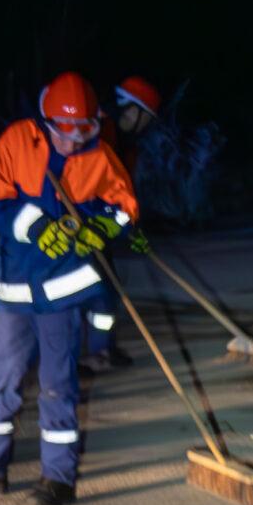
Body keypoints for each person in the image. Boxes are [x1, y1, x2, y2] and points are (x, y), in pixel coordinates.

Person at [0, 72, 139, 505]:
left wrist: (102, 227)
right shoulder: (18, 142)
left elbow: (125, 208)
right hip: (15, 289)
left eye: (84, 131)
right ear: (46, 121)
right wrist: (34, 225)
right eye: (65, 131)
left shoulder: (101, 157)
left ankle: (58, 478)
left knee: (58, 385)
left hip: (62, 293)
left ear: (95, 124)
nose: (73, 142)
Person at [81, 76, 163, 372]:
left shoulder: (125, 144)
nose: (146, 126)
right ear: (131, 109)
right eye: (146, 118)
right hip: (80, 229)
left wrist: (130, 229)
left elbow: (122, 195)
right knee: (91, 293)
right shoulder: (97, 133)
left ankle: (102, 349)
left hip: (100, 229)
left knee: (107, 292)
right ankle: (75, 359)